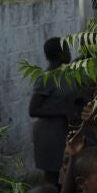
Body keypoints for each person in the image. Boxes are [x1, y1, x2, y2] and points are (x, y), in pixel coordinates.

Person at [29, 36, 80, 183]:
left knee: (67, 174)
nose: (70, 53)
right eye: (67, 50)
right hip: (49, 134)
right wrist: (63, 112)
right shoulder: (46, 78)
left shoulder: (65, 74)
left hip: (64, 131)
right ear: (60, 55)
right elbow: (33, 110)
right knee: (53, 176)